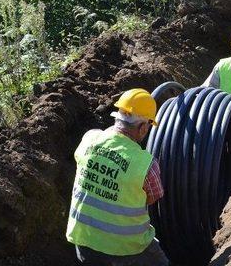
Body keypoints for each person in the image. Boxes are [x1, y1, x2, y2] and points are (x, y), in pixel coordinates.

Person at [66, 88, 169, 266]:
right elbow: (154, 197)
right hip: (128, 249)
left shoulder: (89, 139)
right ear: (143, 127)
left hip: (84, 242)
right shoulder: (146, 165)